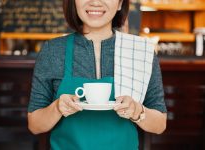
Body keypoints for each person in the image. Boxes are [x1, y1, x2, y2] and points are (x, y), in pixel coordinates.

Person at [27, 0, 167, 149]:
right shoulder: (53, 50)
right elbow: (35, 125)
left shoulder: (140, 51)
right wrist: (57, 108)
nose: (95, 2)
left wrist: (138, 111)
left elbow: (160, 125)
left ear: (120, 4)